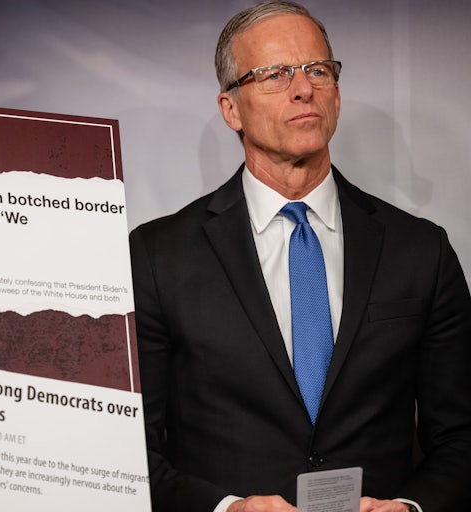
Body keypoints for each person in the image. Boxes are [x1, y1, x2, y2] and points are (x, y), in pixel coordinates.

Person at [128, 2, 471, 512]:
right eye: (273, 74)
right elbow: (131, 450)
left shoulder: (421, 249)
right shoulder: (158, 256)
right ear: (231, 109)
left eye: (318, 70)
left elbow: (462, 437)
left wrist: (410, 506)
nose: (303, 87)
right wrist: (227, 509)